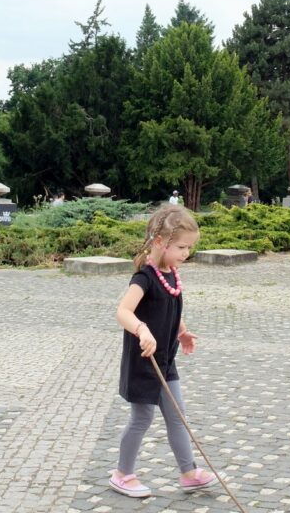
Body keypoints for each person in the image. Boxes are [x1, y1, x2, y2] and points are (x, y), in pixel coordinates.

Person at [111, 206, 216, 499]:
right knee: (141, 419)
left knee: (177, 416)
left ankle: (188, 473)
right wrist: (142, 330)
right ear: (159, 242)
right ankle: (122, 474)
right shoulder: (144, 278)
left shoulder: (172, 274)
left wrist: (181, 332)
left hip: (165, 361)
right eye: (181, 247)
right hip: (143, 363)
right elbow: (123, 311)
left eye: (189, 247)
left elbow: (171, 308)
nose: (186, 253)